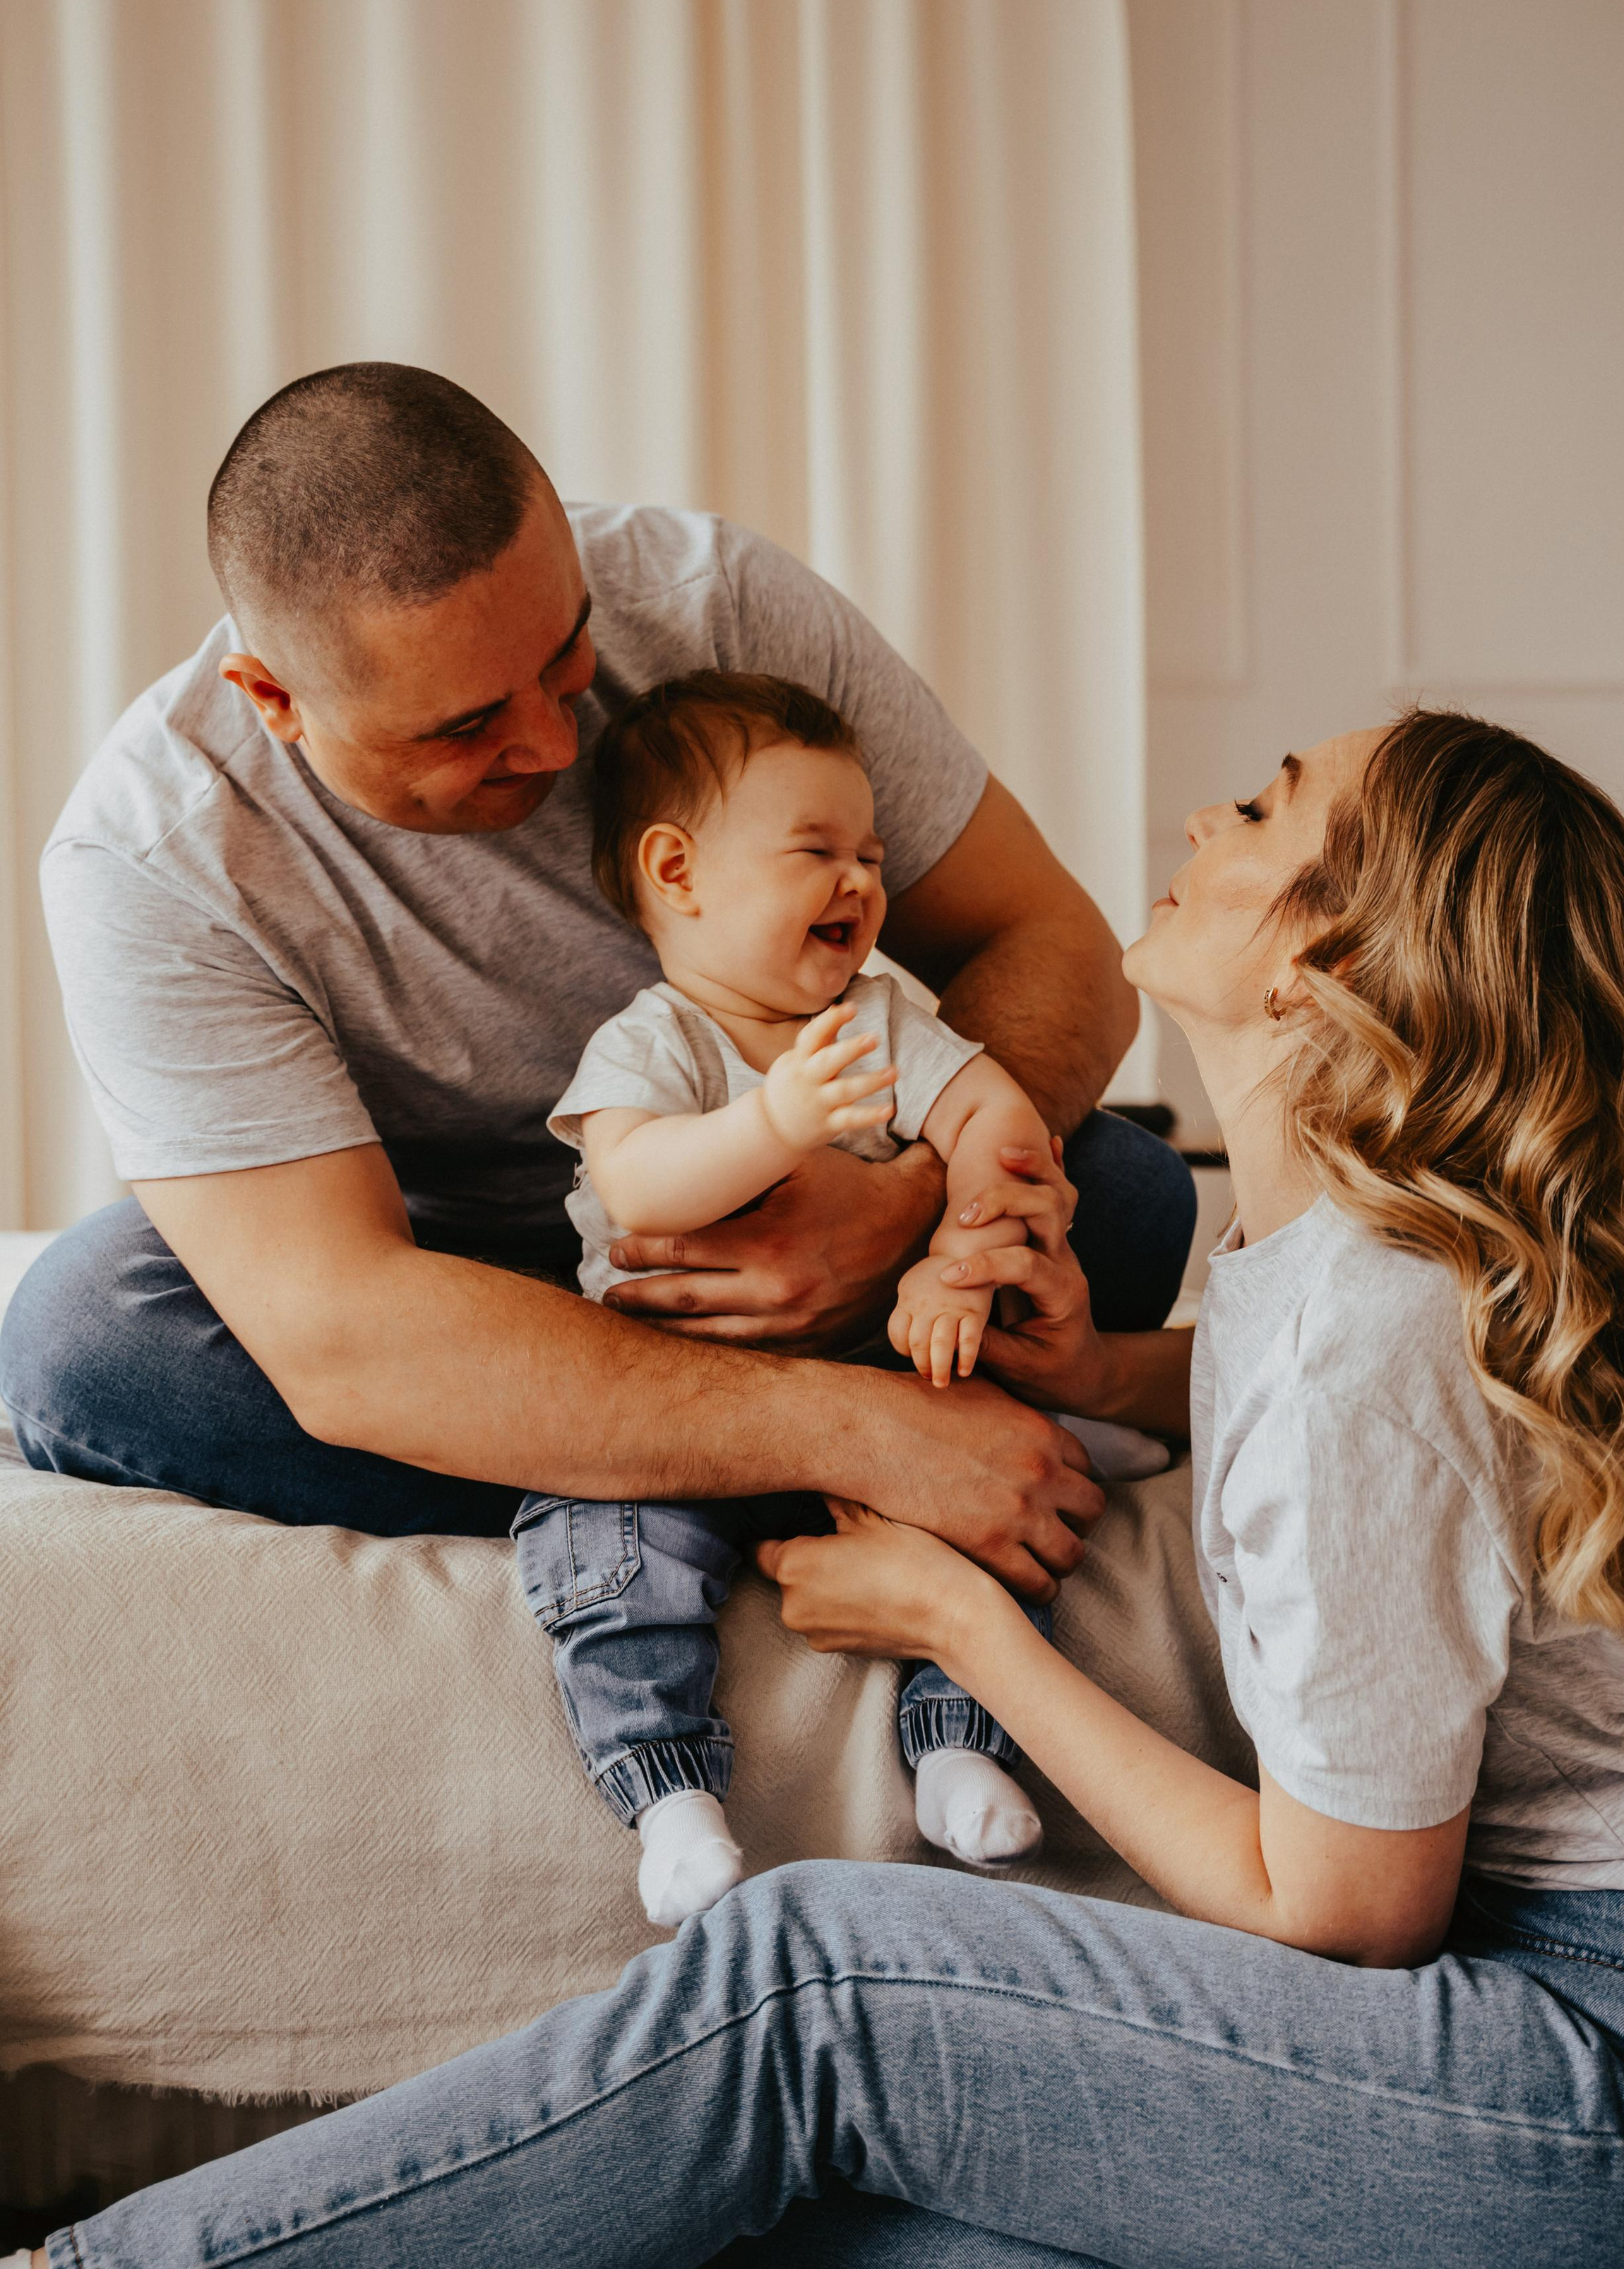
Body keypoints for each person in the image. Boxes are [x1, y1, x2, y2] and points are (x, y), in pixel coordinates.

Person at [7, 708, 1624, 2269]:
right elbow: (1364, 1428)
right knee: (700, 2165)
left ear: (1318, 972)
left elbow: (1341, 1912)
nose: (1202, 822)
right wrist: (1101, 1377)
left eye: (1260, 814)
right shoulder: (1335, 1251)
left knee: (802, 1987)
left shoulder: (1369, 1326)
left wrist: (962, 1623)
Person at [0, 363, 1194, 1590]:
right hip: (450, 1286)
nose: (557, 744)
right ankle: (845, 1461)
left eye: (565, 654)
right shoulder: (153, 856)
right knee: (87, 1341)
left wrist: (901, 1206)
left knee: (1130, 1192)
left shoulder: (714, 603)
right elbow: (342, 1330)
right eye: (465, 727)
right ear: (274, 700)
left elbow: (1056, 948)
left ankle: (644, 1470)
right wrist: (858, 1429)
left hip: (811, 1205)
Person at [515, 667, 1167, 1924]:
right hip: (673, 1414)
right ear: (677, 873)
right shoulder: (650, 1044)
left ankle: (956, 1742)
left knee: (975, 1494)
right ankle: (670, 1798)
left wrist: (956, 1249)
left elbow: (989, 1109)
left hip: (870, 1382)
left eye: (871, 854)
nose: (862, 882)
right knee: (597, 1545)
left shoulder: (879, 1015)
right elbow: (643, 1186)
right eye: (817, 850)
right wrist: (774, 1120)